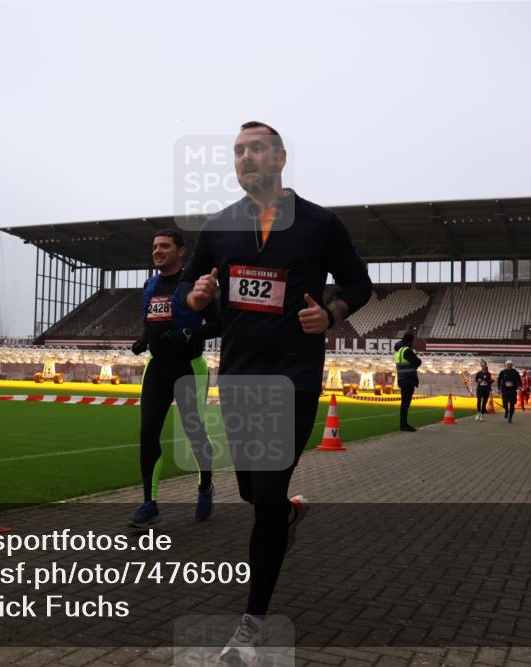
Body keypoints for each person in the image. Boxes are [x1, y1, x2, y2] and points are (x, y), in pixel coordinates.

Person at [180, 121, 371, 666]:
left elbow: (359, 283)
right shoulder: (218, 227)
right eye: (238, 151)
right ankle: (284, 515)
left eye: (257, 149)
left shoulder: (319, 223)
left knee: (265, 496)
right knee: (252, 492)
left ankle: (252, 623)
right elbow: (190, 287)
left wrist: (331, 313)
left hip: (294, 377)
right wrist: (196, 296)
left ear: (281, 157)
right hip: (238, 378)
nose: (246, 158)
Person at [129, 229, 220, 528]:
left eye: (165, 246)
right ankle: (149, 502)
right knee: (147, 432)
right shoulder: (151, 285)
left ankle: (205, 485)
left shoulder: (195, 284)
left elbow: (219, 323)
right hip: (157, 367)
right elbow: (152, 322)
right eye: (155, 246)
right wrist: (143, 340)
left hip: (188, 367)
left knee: (195, 433)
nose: (158, 251)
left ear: (181, 251)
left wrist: (189, 333)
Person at [394, 333, 422, 432]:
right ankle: (404, 425)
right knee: (406, 404)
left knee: (404, 403)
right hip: (408, 380)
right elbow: (418, 362)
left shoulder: (398, 351)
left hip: (401, 379)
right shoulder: (407, 350)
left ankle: (403, 424)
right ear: (410, 341)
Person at [497, 360, 522, 424]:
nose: (509, 365)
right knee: (505, 404)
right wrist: (499, 389)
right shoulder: (503, 372)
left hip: (512, 390)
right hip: (505, 390)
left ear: (512, 365)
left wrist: (519, 386)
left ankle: (510, 417)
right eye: (508, 364)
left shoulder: (515, 372)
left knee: (512, 405)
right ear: (506, 365)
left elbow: (519, 381)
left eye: (510, 364)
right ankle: (506, 410)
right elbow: (499, 380)